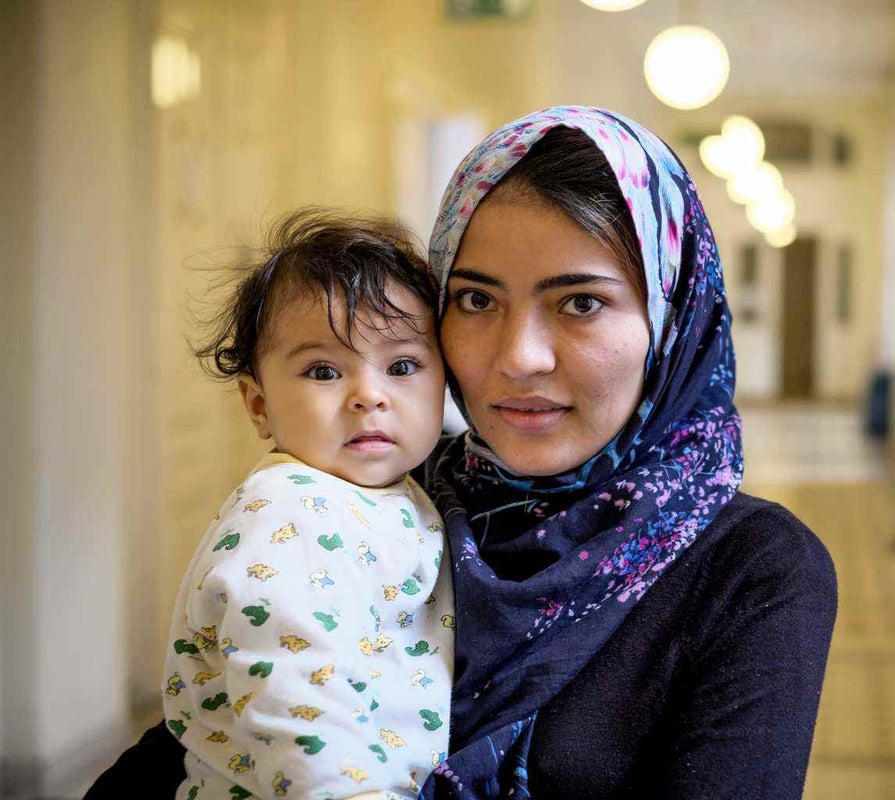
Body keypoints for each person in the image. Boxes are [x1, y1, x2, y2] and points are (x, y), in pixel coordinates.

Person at [86, 106, 836, 800]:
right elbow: (209, 737)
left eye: (580, 302)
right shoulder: (384, 497)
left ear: (673, 321)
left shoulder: (752, 568)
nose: (518, 357)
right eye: (476, 299)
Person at [162, 211, 454, 800]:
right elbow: (294, 695)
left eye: (402, 367)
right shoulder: (289, 511)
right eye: (323, 371)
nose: (369, 395)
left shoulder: (396, 492)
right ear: (259, 404)